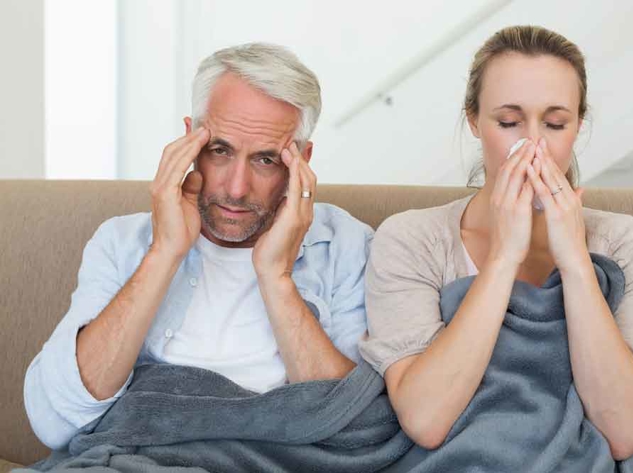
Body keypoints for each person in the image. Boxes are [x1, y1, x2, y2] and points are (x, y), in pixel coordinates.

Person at [24, 43, 372, 449]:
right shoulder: (121, 242)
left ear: (303, 160)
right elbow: (55, 420)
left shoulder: (346, 244)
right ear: (189, 141)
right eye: (219, 150)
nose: (236, 188)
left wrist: (276, 278)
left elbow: (354, 430)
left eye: (265, 160)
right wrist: (165, 251)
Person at [360, 26, 633, 460]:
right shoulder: (411, 239)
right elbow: (425, 420)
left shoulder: (626, 243)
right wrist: (504, 257)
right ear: (473, 120)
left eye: (555, 123)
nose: (533, 145)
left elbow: (625, 432)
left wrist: (577, 263)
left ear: (578, 126)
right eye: (509, 122)